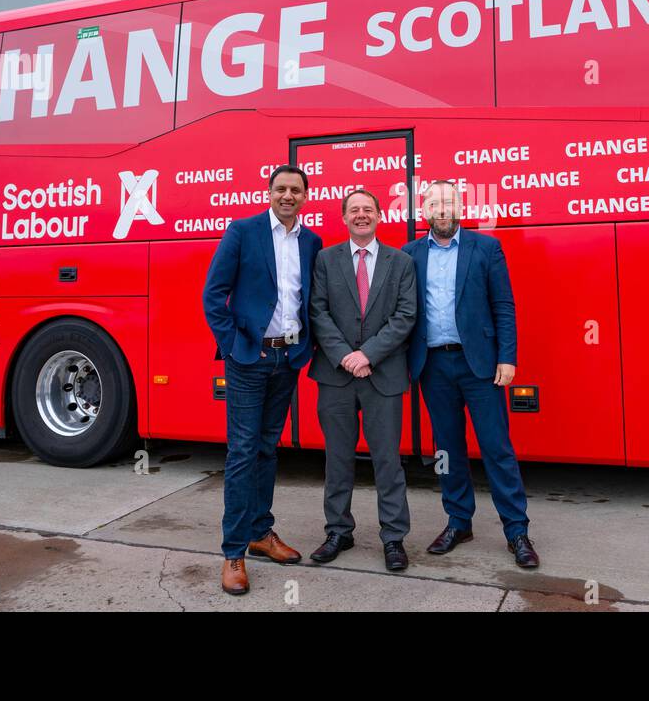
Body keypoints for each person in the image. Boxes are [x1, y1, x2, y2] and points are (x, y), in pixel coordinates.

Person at [404, 180, 539, 568]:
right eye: (435, 203)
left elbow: (504, 305)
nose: (442, 209)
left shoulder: (486, 248)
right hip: (433, 366)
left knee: (497, 448)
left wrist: (507, 357)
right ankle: (458, 521)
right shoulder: (410, 254)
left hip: (479, 365)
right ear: (424, 211)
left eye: (449, 202)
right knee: (446, 450)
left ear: (460, 207)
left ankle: (517, 531)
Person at [202, 164, 322, 595]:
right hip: (249, 359)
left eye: (296, 189)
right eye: (281, 189)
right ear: (269, 193)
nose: (288, 195)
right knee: (242, 452)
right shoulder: (243, 232)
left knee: (268, 449)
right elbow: (213, 294)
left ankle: (260, 532)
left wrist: (303, 348)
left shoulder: (311, 241)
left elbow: (308, 297)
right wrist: (234, 344)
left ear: (306, 196)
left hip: (287, 359)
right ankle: (233, 552)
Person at [306, 188, 417, 572]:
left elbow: (405, 315)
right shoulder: (325, 259)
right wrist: (346, 358)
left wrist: (367, 354)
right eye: (354, 210)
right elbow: (317, 312)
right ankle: (339, 531)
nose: (361, 215)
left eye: (368, 210)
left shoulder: (401, 261)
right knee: (337, 459)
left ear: (380, 215)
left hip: (382, 375)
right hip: (336, 376)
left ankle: (393, 538)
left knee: (387, 461)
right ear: (344, 217)